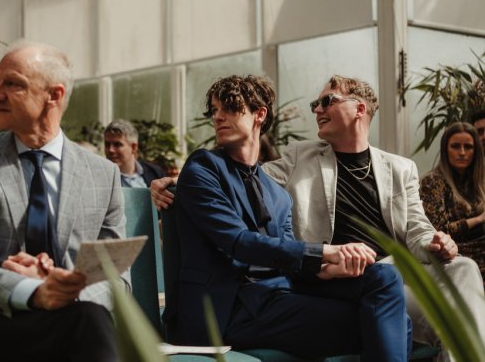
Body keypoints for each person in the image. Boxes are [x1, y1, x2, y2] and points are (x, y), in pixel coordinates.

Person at [152, 75, 485, 360]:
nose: (218, 118)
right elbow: (237, 239)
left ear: (259, 114)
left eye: (230, 108)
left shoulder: (277, 194)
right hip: (229, 306)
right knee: (396, 322)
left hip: (298, 289)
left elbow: (286, 247)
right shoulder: (217, 166)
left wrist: (331, 267)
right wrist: (329, 254)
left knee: (402, 281)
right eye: (215, 110)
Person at [0, 41, 124, 362]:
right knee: (91, 325)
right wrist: (35, 292)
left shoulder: (103, 174)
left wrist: (66, 293)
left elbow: (116, 276)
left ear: (54, 95)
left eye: (12, 84)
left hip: (79, 319)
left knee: (91, 319)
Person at [420, 122, 485, 285]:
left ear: (475, 151)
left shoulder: (478, 183)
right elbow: (437, 231)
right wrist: (479, 219)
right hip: (456, 256)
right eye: (455, 146)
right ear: (445, 150)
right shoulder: (433, 181)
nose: (462, 152)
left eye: (468, 147)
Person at [104, 119, 166, 187]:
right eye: (107, 145)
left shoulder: (155, 173)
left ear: (133, 147)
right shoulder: (99, 177)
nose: (110, 150)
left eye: (117, 144)